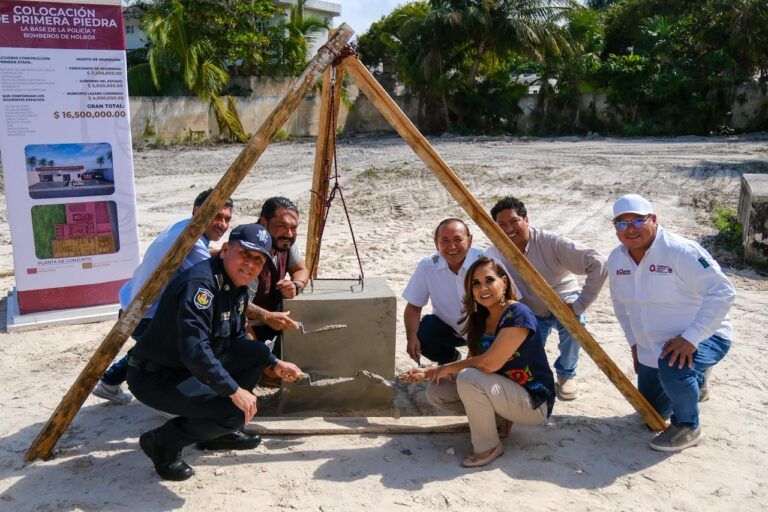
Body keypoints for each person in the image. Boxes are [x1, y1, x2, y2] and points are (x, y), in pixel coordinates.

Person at [127, 224, 305, 481]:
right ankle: (162, 442)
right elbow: (195, 350)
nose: (250, 264)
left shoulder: (238, 287)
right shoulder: (201, 286)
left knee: (256, 353)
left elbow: (232, 341)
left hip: (187, 368)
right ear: (225, 251)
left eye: (258, 259)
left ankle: (216, 434)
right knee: (235, 411)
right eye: (244, 253)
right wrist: (233, 391)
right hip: (157, 376)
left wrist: (275, 363)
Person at [607, 193, 734, 452]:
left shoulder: (681, 251)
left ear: (653, 219)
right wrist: (634, 343)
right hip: (651, 343)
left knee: (674, 367)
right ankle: (695, 380)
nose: (630, 230)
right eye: (622, 223)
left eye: (637, 221)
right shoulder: (617, 258)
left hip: (702, 335)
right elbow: (620, 305)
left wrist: (691, 337)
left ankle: (688, 426)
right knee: (651, 414)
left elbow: (723, 292)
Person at [404, 256, 555, 467]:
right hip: (502, 392)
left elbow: (487, 364)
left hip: (533, 402)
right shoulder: (480, 318)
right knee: (437, 391)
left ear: (504, 282)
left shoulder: (517, 314)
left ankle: (488, 447)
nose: (483, 287)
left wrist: (440, 368)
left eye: (489, 280)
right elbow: (471, 360)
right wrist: (431, 373)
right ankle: (500, 422)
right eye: (475, 283)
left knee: (469, 378)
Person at [92, 189, 233, 405]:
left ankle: (109, 382)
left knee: (147, 348)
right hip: (145, 315)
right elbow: (208, 281)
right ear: (199, 211)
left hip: (130, 303)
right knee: (181, 347)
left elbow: (204, 254)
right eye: (217, 216)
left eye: (227, 219)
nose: (222, 224)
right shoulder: (192, 242)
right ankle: (170, 402)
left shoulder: (182, 226)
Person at [485, 197, 607, 400]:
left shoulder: (551, 242)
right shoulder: (493, 254)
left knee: (574, 327)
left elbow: (599, 263)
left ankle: (566, 375)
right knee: (527, 351)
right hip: (530, 308)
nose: (508, 229)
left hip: (563, 300)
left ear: (526, 220)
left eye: (514, 221)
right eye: (502, 225)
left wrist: (580, 304)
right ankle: (540, 379)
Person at [402, 218, 487, 365]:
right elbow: (413, 308)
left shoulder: (486, 264)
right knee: (424, 333)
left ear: (470, 240)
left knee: (476, 373)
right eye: (445, 241)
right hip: (451, 328)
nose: (451, 246)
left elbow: (506, 307)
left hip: (486, 329)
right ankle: (450, 359)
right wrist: (411, 338)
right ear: (436, 244)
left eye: (457, 239)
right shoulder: (427, 266)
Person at [247, 197, 309, 356]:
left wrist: (295, 285)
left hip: (271, 320)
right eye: (281, 226)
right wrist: (267, 317)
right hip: (245, 323)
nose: (288, 234)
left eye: (293, 228)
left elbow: (301, 269)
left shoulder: (284, 242)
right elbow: (238, 306)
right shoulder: (250, 251)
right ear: (263, 224)